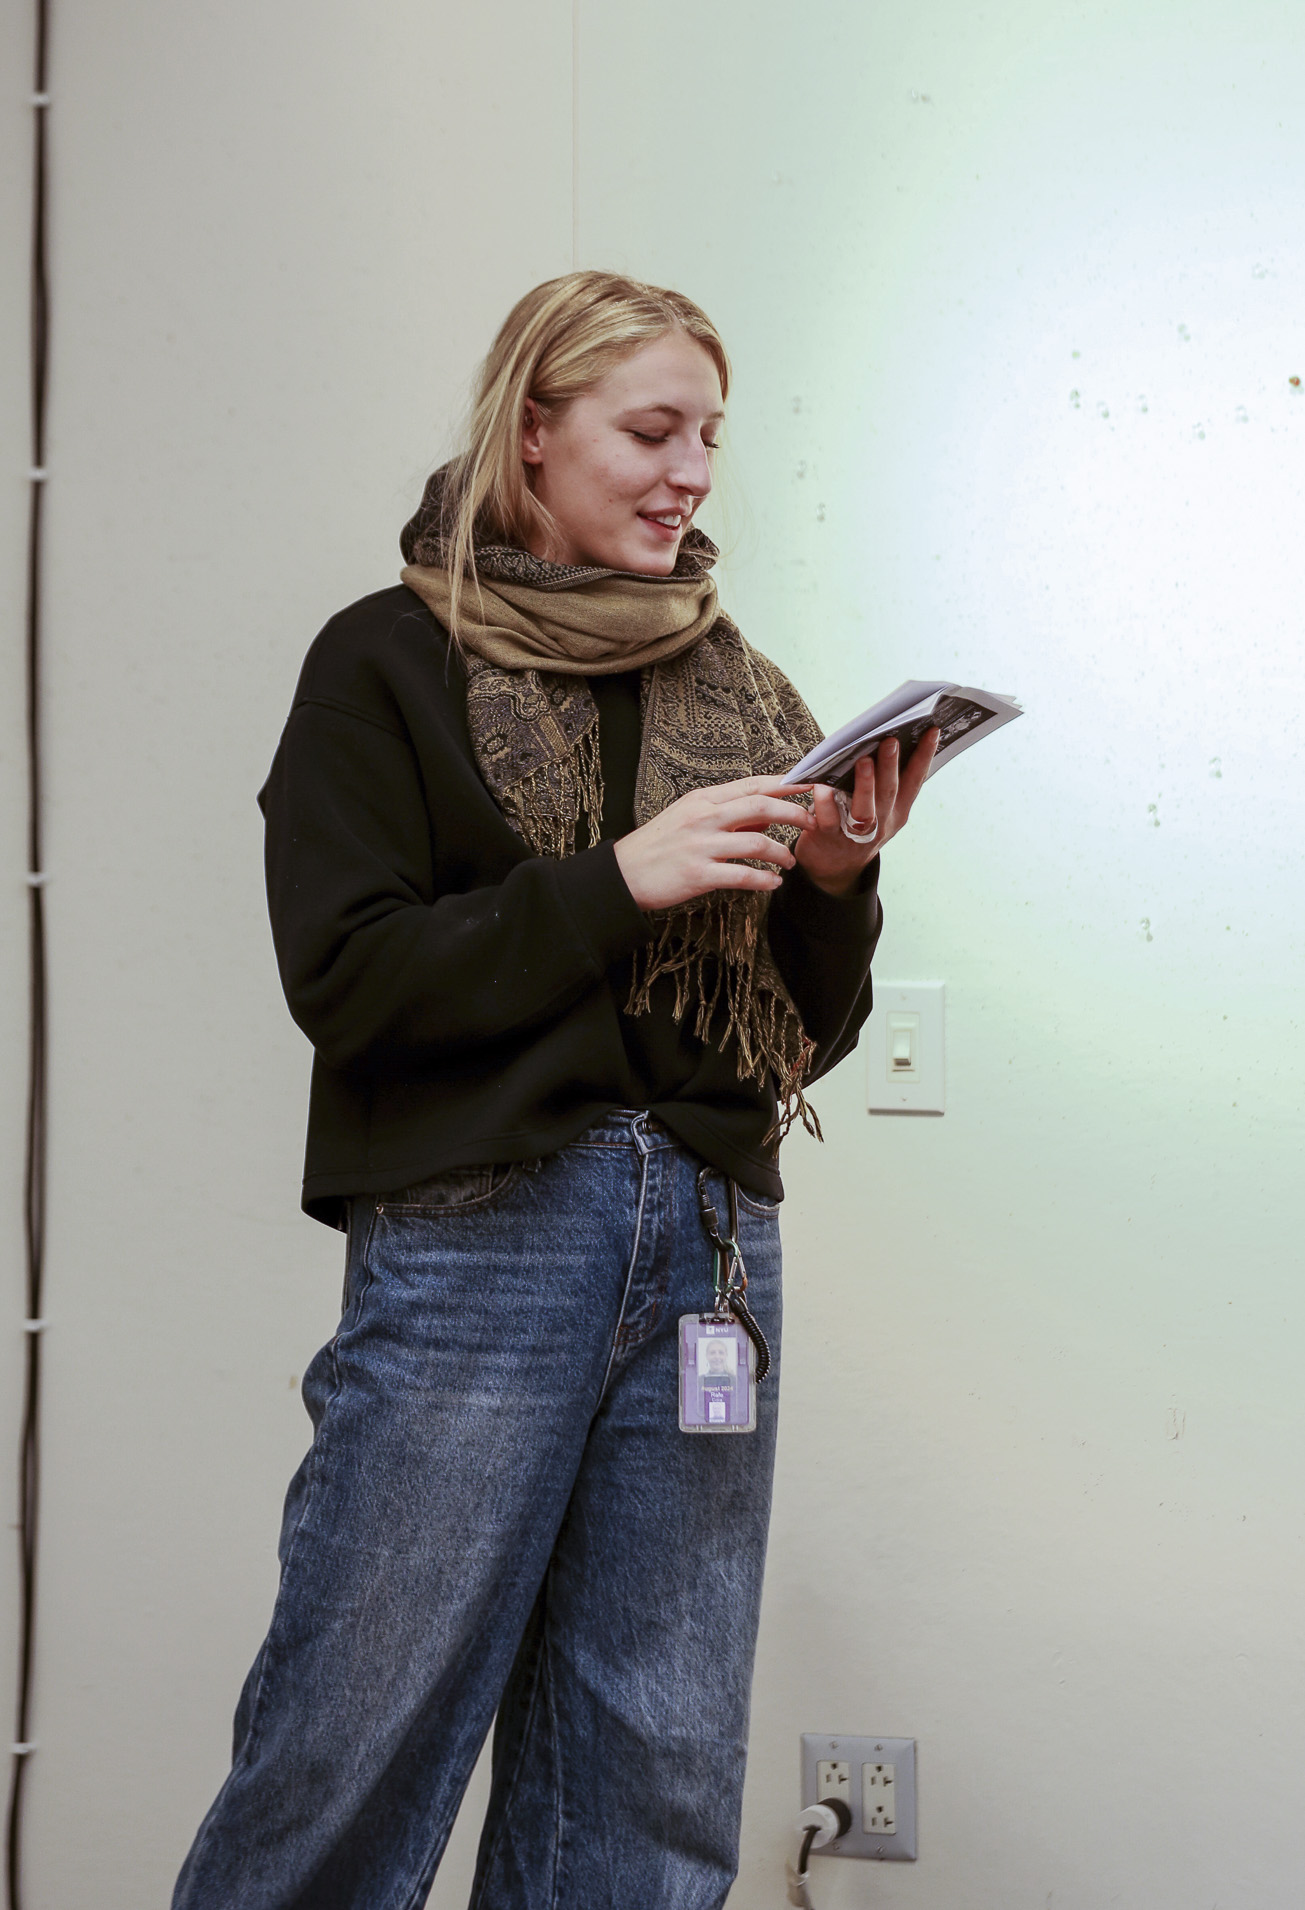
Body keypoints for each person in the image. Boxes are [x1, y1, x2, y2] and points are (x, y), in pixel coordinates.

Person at [172, 270, 938, 1910]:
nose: (689, 472)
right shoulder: (380, 663)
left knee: (649, 1762)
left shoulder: (740, 687)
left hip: (712, 1252)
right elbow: (353, 982)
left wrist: (832, 883)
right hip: (484, 1243)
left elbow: (792, 1040)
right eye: (650, 428)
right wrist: (621, 882)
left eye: (708, 437)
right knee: (352, 1737)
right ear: (531, 432)